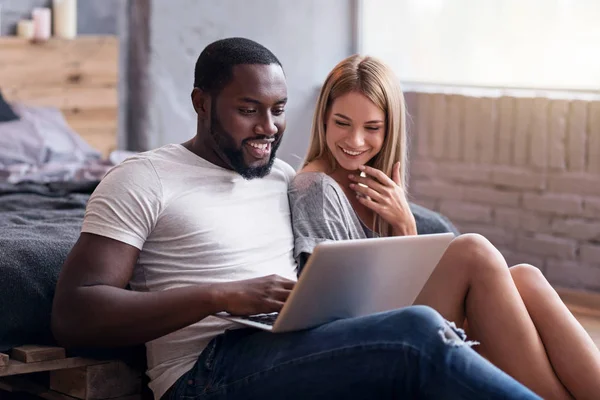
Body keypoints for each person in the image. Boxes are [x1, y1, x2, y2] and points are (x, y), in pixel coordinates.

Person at [51, 37, 541, 400]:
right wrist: (220, 296)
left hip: (287, 343)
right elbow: (76, 313)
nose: (268, 128)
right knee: (415, 334)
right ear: (202, 103)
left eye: (279, 110)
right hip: (206, 372)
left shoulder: (281, 176)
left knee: (511, 285)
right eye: (248, 110)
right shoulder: (145, 178)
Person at [289, 53, 600, 400]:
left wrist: (403, 221)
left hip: (399, 321)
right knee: (473, 252)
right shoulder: (316, 188)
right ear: (324, 121)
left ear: (389, 129)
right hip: (368, 345)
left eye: (372, 128)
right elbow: (335, 312)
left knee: (526, 276)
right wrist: (406, 231)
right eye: (342, 123)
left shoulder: (372, 185)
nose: (356, 140)